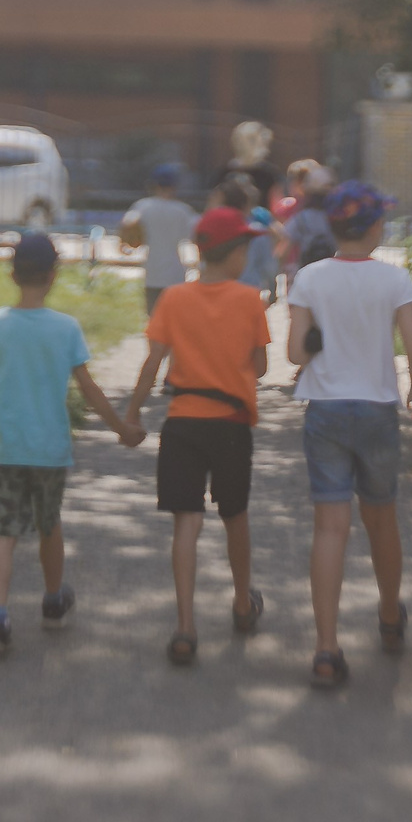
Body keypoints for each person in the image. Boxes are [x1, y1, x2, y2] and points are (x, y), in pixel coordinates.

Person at [0, 231, 141, 660]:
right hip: (49, 450)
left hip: (5, 448)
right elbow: (89, 388)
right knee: (49, 525)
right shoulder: (65, 328)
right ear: (53, 275)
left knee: (3, 533)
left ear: (11, 273)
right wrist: (120, 427)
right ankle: (53, 600)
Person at [283, 180, 412, 689]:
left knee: (330, 529)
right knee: (382, 520)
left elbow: (296, 355)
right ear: (372, 227)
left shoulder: (309, 278)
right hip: (376, 410)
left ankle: (326, 647)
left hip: (324, 409)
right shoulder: (394, 280)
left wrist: (320, 339)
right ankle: (389, 617)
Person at [119, 205, 273, 665]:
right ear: (233, 254)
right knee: (235, 515)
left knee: (186, 521)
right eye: (245, 247)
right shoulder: (249, 300)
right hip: (230, 425)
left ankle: (185, 626)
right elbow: (261, 366)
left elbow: (153, 362)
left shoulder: (173, 299)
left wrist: (132, 415)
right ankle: (243, 603)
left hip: (182, 422)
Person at [120, 164, 198, 314]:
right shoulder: (183, 210)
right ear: (175, 186)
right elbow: (195, 236)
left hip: (153, 272)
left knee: (154, 320)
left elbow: (127, 224)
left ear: (154, 184)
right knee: (175, 320)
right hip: (176, 273)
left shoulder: (143, 206)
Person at [217, 174, 280, 305]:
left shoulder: (217, 230)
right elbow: (269, 266)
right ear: (247, 205)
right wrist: (273, 291)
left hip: (219, 292)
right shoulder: (259, 232)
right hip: (249, 291)